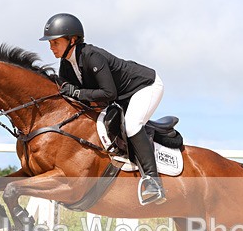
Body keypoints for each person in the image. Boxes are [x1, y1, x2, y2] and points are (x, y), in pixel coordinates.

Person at [39, 13, 166, 205]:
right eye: (50, 43)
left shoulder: (92, 56)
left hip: (144, 87)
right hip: (120, 95)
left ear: (72, 40)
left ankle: (152, 181)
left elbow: (108, 94)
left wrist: (79, 93)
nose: (51, 47)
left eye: (55, 42)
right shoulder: (66, 64)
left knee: (131, 126)